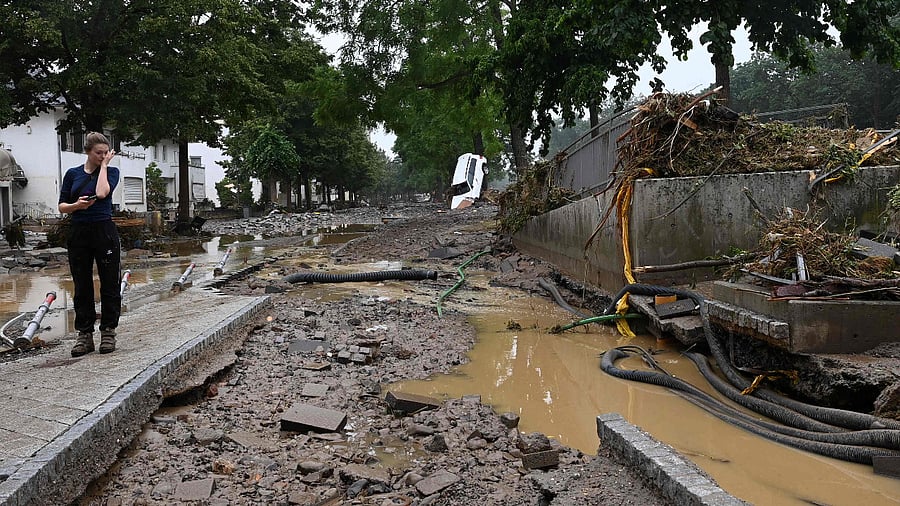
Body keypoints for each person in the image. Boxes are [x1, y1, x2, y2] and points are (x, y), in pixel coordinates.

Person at [57, 132, 121, 357]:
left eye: (105, 153)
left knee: (110, 283)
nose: (102, 157)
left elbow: (102, 192)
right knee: (81, 284)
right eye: (98, 153)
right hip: (79, 231)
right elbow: (62, 206)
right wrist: (77, 206)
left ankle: (108, 332)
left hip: (104, 230)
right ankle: (85, 335)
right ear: (87, 152)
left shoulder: (111, 172)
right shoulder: (72, 174)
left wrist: (103, 167)